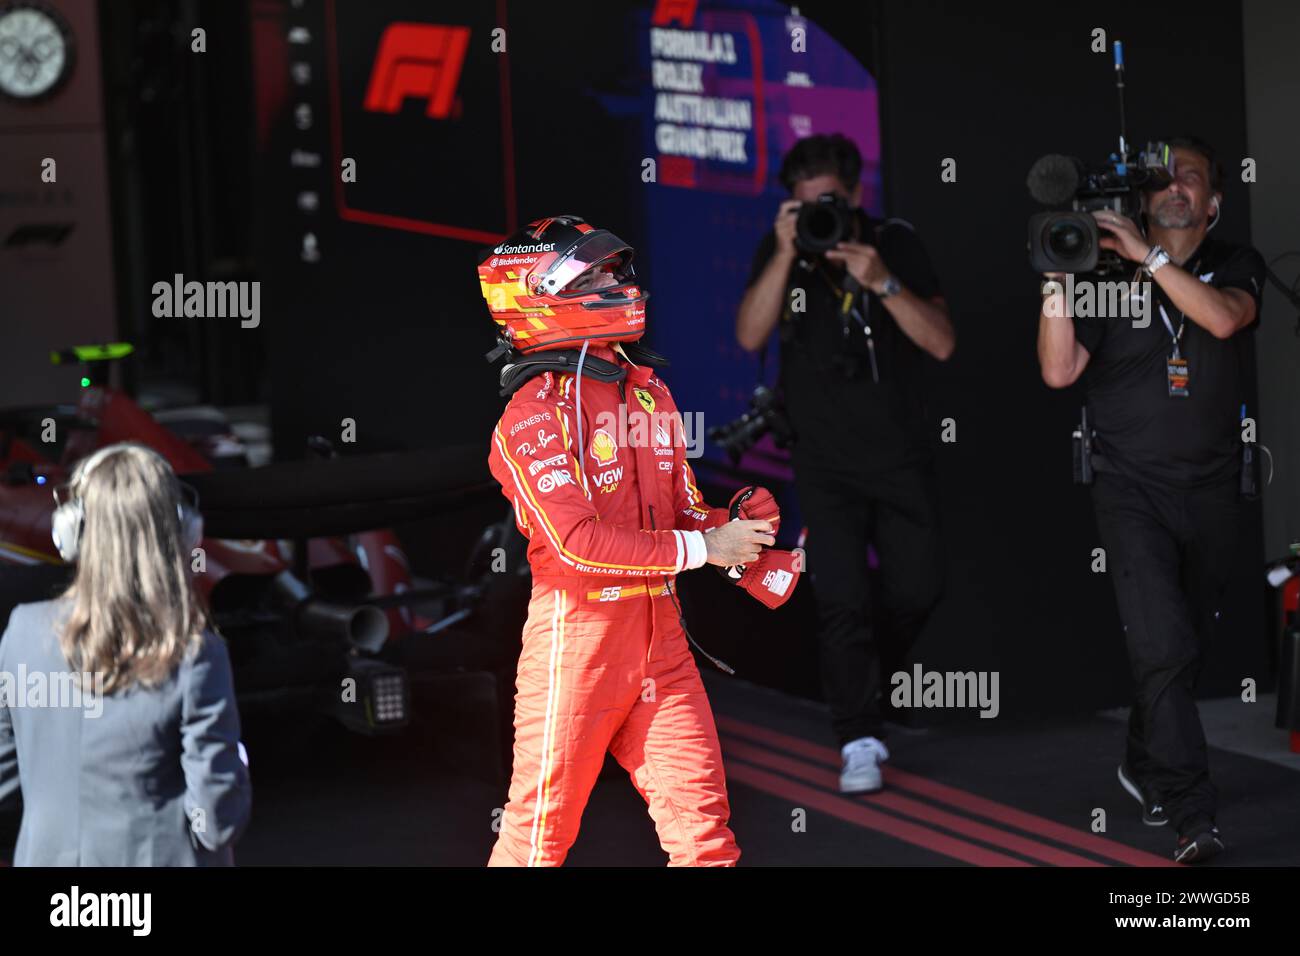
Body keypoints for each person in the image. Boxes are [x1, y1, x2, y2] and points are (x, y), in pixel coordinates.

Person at [479, 214, 800, 866]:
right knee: (537, 841)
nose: (619, 284)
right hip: (578, 650)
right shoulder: (530, 414)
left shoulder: (645, 391)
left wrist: (731, 527)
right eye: (596, 274)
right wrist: (706, 549)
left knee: (704, 837)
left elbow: (679, 511)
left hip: (661, 646)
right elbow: (575, 542)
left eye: (617, 271)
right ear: (540, 293)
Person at [1036, 137, 1265, 863]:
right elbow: (1059, 370)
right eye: (1162, 178)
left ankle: (1142, 755)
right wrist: (1055, 285)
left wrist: (1151, 260)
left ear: (1213, 202)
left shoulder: (1235, 261)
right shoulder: (1099, 271)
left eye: (1190, 178)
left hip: (1214, 488)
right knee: (1161, 644)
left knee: (1185, 646)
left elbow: (1225, 319)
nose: (1174, 188)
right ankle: (1194, 817)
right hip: (1131, 490)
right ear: (1141, 197)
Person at [736, 134, 955, 793]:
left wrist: (881, 281)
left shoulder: (895, 242)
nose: (819, 218)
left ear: (856, 195)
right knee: (840, 600)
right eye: (804, 208)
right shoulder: (785, 256)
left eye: (828, 204)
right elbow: (748, 334)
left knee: (919, 588)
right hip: (823, 462)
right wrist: (783, 252)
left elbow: (942, 343)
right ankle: (858, 736)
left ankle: (868, 685)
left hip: (899, 456)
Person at [0, 442, 251, 865]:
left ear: (71, 533)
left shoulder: (23, 632)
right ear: (182, 533)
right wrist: (237, 765)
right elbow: (215, 822)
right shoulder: (193, 654)